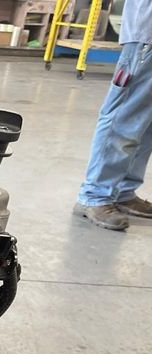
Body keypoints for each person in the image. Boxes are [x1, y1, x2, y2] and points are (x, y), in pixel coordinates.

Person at [74, 0, 152, 230]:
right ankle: (95, 195)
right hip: (148, 36)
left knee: (146, 125)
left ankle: (123, 191)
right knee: (124, 117)